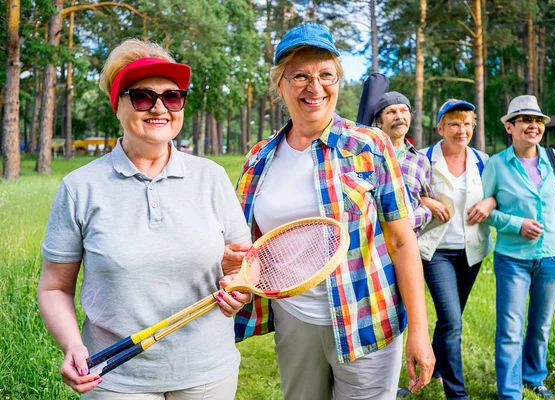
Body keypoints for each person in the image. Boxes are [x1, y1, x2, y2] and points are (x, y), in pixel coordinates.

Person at [225, 23, 435, 400]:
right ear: (280, 85)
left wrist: (419, 329)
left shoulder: (370, 145)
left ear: (338, 79)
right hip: (294, 319)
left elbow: (403, 242)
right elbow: (252, 248)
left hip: (368, 317)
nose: (315, 86)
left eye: (326, 74)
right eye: (300, 76)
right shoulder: (258, 159)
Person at [37, 39, 252, 399]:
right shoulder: (80, 188)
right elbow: (55, 287)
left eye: (172, 96)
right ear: (117, 105)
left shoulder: (211, 177)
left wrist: (239, 287)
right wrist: (72, 346)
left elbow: (245, 263)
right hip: (115, 377)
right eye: (142, 96)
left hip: (207, 372)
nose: (159, 107)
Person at [482, 95, 555, 400]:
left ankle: (533, 377)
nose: (533, 126)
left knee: (541, 326)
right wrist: (517, 224)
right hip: (513, 260)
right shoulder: (496, 164)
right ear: (509, 127)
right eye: (525, 120)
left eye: (537, 121)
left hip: (553, 257)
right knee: (510, 330)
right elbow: (482, 212)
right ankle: (510, 393)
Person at [418, 99, 495, 400]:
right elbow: (400, 193)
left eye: (466, 124)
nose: (460, 129)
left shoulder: (482, 160)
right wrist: (427, 202)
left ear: (473, 127)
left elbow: (500, 193)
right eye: (453, 124)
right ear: (440, 128)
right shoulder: (423, 159)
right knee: (452, 320)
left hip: (471, 252)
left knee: (451, 317)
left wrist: (490, 202)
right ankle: (457, 394)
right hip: (436, 251)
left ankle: (437, 367)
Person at [373, 91, 433, 237]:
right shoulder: (368, 155)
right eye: (391, 112)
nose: (399, 116)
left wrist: (414, 218)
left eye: (403, 111)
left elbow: (427, 205)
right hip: (374, 245)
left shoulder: (421, 160)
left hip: (408, 243)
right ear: (379, 122)